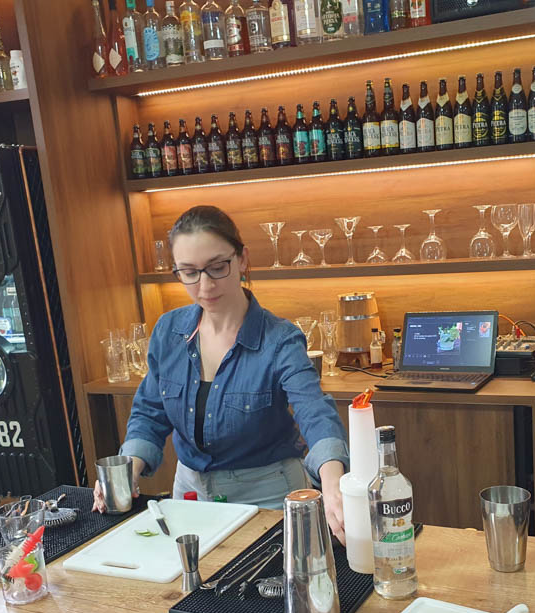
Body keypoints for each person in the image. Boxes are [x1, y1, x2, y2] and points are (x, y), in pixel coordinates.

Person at [93, 205, 350, 542]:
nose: (205, 285)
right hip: (189, 497)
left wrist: (333, 484)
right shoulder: (169, 330)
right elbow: (149, 412)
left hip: (268, 499)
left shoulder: (279, 339)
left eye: (217, 267)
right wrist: (129, 469)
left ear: (242, 259)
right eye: (189, 272)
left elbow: (314, 411)